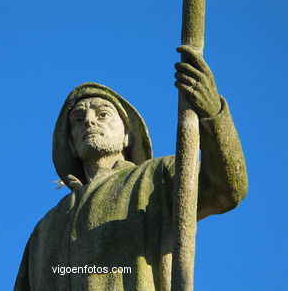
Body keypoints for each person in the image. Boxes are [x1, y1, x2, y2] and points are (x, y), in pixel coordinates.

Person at [14, 46, 248, 291]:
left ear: (127, 134)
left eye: (102, 114)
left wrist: (213, 115)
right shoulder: (44, 230)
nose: (90, 121)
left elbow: (228, 188)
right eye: (79, 120)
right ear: (71, 143)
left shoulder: (157, 177)